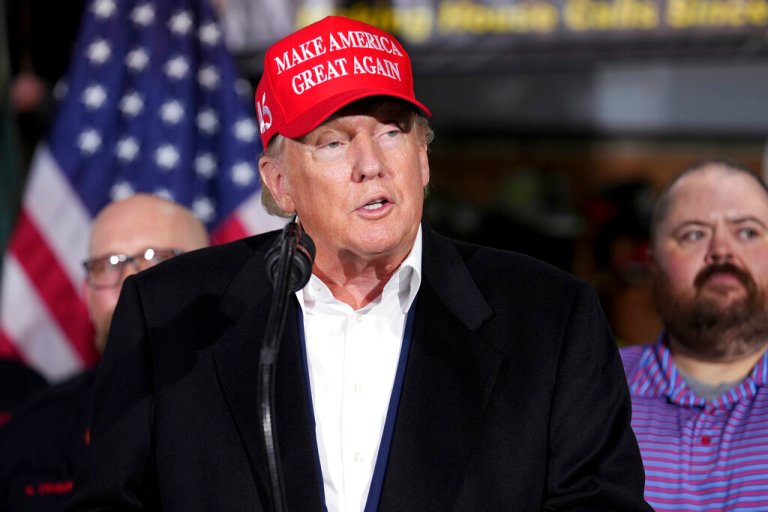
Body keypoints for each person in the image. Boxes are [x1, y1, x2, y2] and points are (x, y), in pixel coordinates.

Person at [69, 16, 651, 511]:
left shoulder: (549, 318)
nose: (371, 164)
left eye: (392, 132)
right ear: (280, 184)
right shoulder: (169, 316)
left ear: (423, 159)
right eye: (334, 142)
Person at [0, 194, 209, 511]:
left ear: (211, 277)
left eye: (155, 259)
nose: (130, 284)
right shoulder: (30, 438)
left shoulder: (272, 412)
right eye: (107, 265)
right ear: (87, 294)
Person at [620, 159, 768, 511]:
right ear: (653, 265)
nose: (721, 251)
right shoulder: (590, 385)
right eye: (694, 234)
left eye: (747, 232)